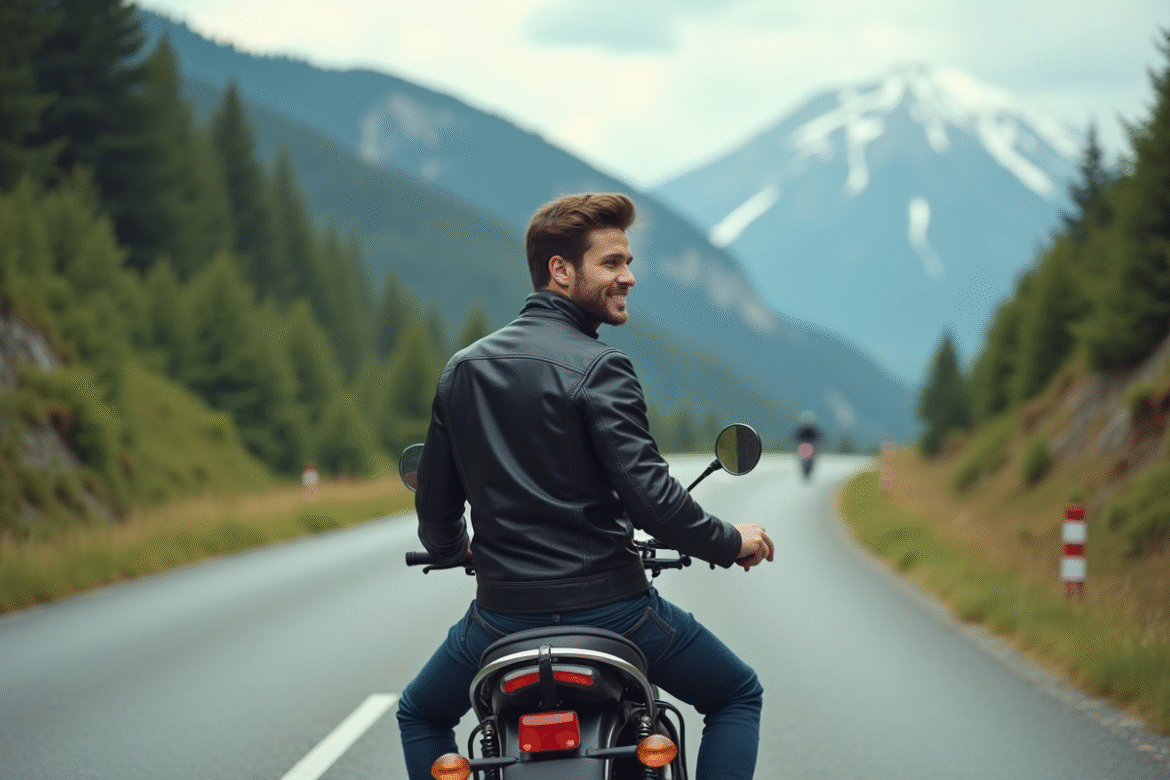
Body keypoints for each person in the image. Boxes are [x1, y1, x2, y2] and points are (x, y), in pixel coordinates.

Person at [396, 192, 775, 780]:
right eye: (613, 263)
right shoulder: (601, 368)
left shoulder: (463, 370)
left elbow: (437, 507)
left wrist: (452, 551)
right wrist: (732, 542)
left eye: (627, 262)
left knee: (420, 715)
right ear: (560, 270)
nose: (629, 277)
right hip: (615, 614)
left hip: (500, 619)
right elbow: (653, 501)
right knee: (736, 695)